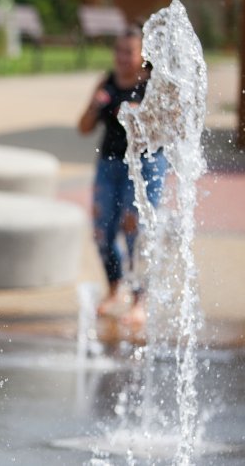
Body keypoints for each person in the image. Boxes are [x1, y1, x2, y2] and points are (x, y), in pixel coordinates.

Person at [77, 24, 167, 326]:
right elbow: (83, 128)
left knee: (135, 230)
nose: (122, 57)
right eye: (118, 50)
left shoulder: (152, 84)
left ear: (143, 54)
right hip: (110, 164)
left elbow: (165, 131)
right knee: (102, 229)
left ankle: (140, 301)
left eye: (129, 51)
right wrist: (95, 106)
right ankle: (115, 289)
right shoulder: (108, 82)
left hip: (145, 165)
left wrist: (139, 115)